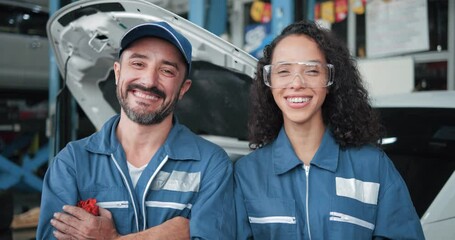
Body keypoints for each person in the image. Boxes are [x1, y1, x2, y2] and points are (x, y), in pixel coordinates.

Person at [36, 21, 235, 239]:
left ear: (183, 89)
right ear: (117, 72)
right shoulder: (73, 162)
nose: (149, 81)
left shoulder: (210, 164)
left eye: (167, 70)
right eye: (138, 64)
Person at [234, 20, 425, 239]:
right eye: (284, 71)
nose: (297, 83)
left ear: (331, 80)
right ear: (269, 81)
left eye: (312, 70)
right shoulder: (248, 174)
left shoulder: (373, 167)